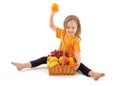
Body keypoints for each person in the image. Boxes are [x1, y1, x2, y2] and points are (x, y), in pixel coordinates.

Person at [11, 10, 105, 80]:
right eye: (68, 27)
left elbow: (77, 53)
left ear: (77, 28)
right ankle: (23, 65)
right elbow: (51, 26)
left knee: (81, 66)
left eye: (73, 27)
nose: (70, 30)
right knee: (44, 58)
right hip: (58, 57)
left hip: (70, 59)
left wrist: (78, 62)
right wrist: (52, 14)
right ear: (65, 27)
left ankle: (93, 74)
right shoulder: (62, 33)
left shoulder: (75, 40)